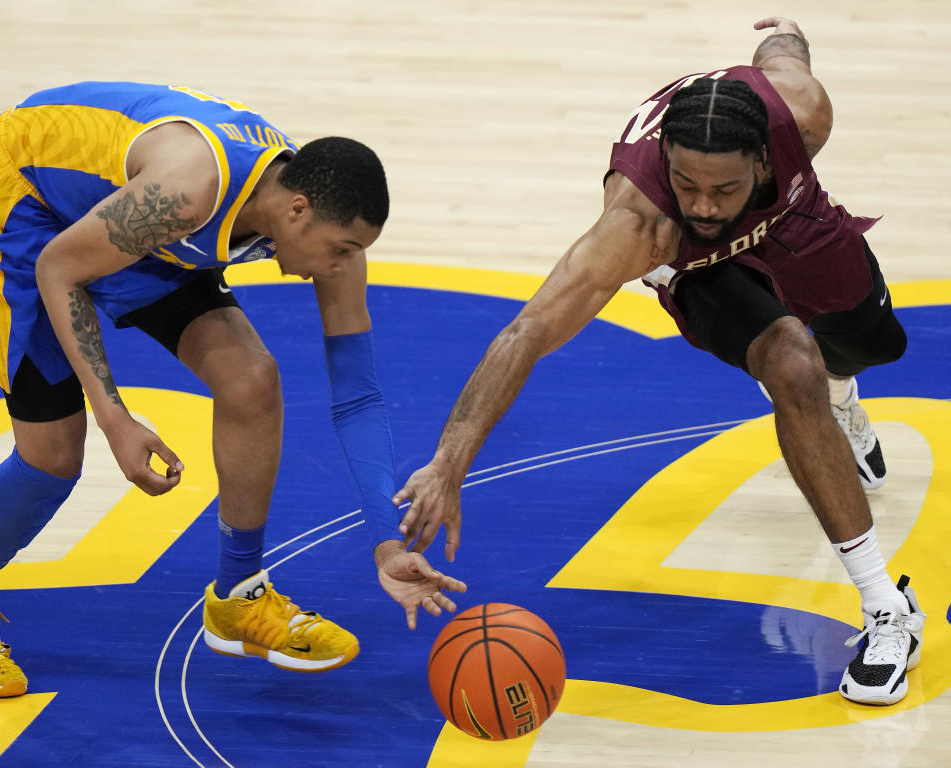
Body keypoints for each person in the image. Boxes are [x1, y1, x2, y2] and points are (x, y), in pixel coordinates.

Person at [391, 18, 924, 706]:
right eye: (686, 182)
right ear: (666, 159)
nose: (703, 204)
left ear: (765, 159)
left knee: (873, 346)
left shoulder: (804, 111)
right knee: (790, 364)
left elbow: (779, 55)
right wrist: (448, 462)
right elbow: (525, 334)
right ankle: (887, 608)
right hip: (697, 270)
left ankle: (838, 396)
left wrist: (788, 31)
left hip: (794, 228)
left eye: (723, 189)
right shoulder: (641, 225)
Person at [0, 82, 465, 698]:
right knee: (52, 456)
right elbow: (59, 268)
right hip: (21, 198)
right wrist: (117, 419)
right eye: (339, 250)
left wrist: (384, 541)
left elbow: (357, 396)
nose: (341, 266)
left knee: (251, 380)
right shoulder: (185, 194)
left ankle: (239, 599)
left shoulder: (318, 219)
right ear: (297, 211)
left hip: (119, 211)